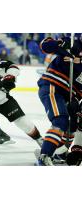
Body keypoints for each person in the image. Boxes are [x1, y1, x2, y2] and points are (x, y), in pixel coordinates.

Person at [36, 36, 82, 165]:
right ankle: (45, 156)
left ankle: (59, 151)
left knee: (73, 122)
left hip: (71, 95)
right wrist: (61, 46)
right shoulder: (72, 42)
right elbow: (44, 46)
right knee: (60, 120)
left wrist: (77, 101)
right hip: (53, 86)